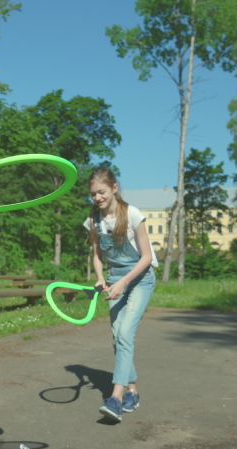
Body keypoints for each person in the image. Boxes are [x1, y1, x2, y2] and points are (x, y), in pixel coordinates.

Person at [83, 167, 157, 422]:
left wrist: (124, 282)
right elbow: (96, 254)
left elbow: (146, 257)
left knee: (125, 334)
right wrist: (101, 278)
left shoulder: (132, 214)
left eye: (101, 192)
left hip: (140, 279)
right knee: (118, 339)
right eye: (93, 194)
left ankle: (115, 397)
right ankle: (133, 392)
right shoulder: (94, 220)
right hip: (114, 280)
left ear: (114, 188)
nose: (97, 198)